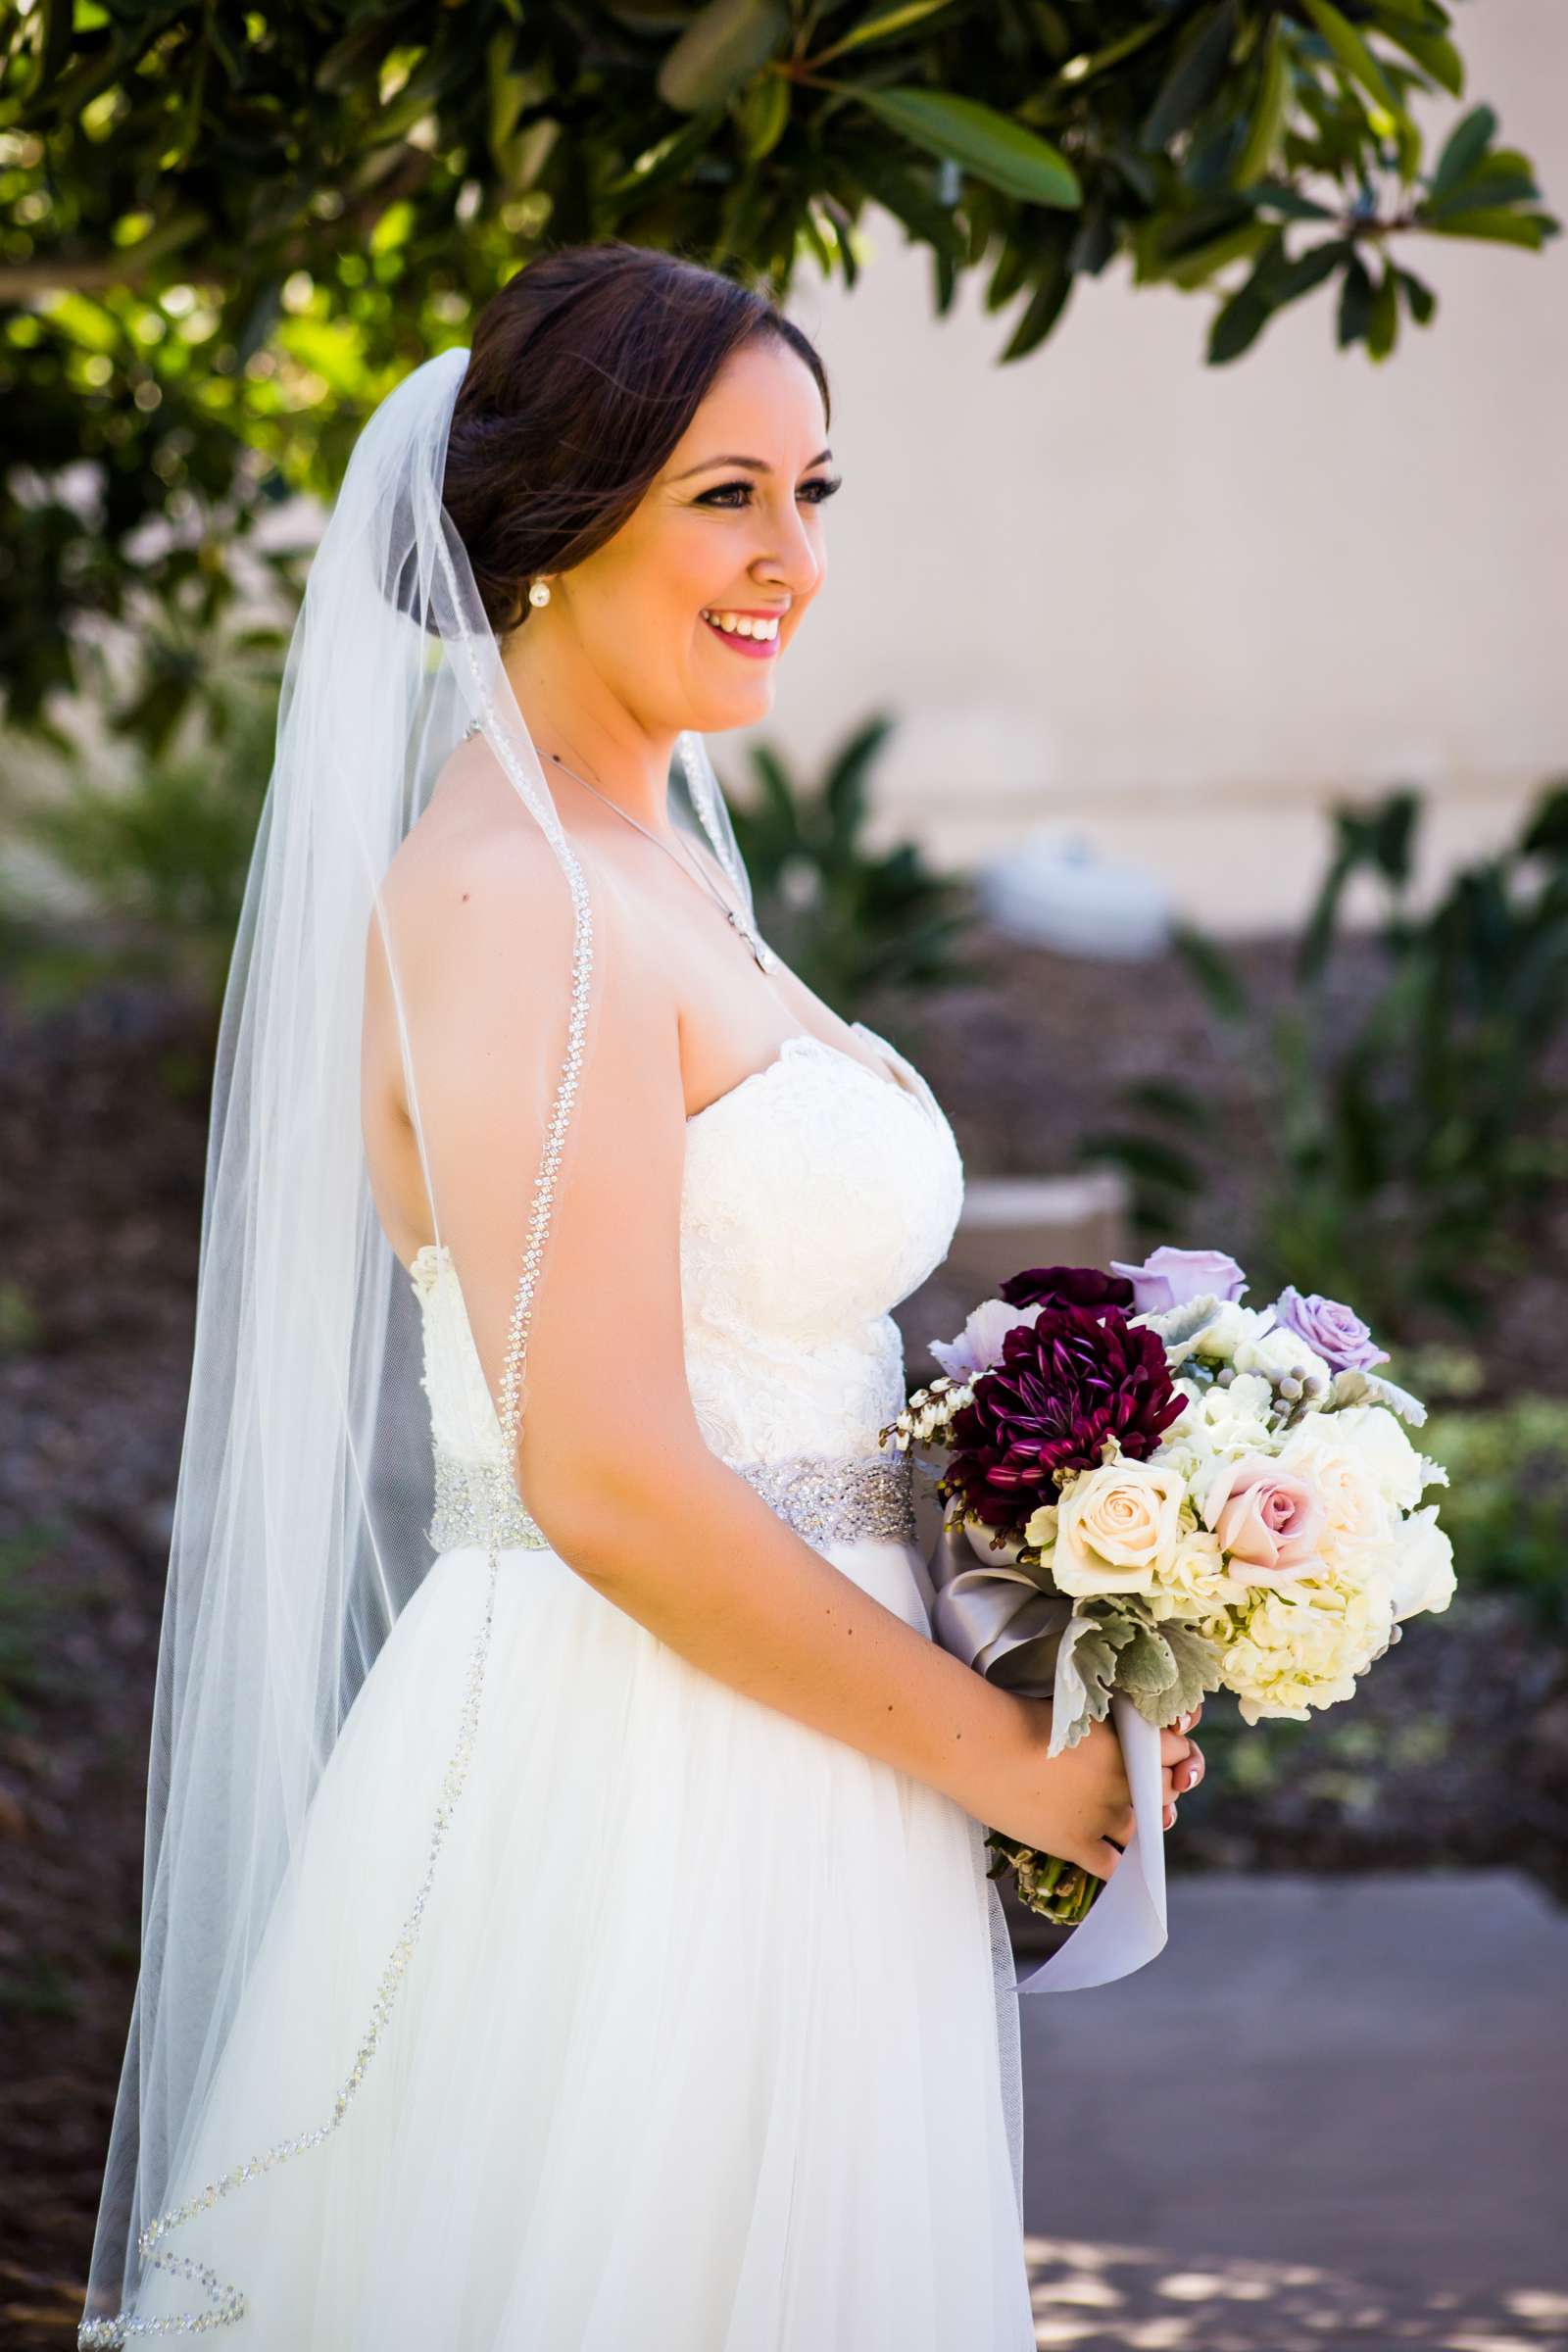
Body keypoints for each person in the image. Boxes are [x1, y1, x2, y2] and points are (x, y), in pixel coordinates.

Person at [77, 239, 1202, 2350]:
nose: (789, 555)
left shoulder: (653, 857)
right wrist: (1005, 1763)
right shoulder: (513, 897)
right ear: (550, 520)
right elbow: (596, 1467)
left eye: (813, 492)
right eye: (723, 494)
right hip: (640, 1790)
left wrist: (1078, 1584)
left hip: (803, 1743)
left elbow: (766, 1372)